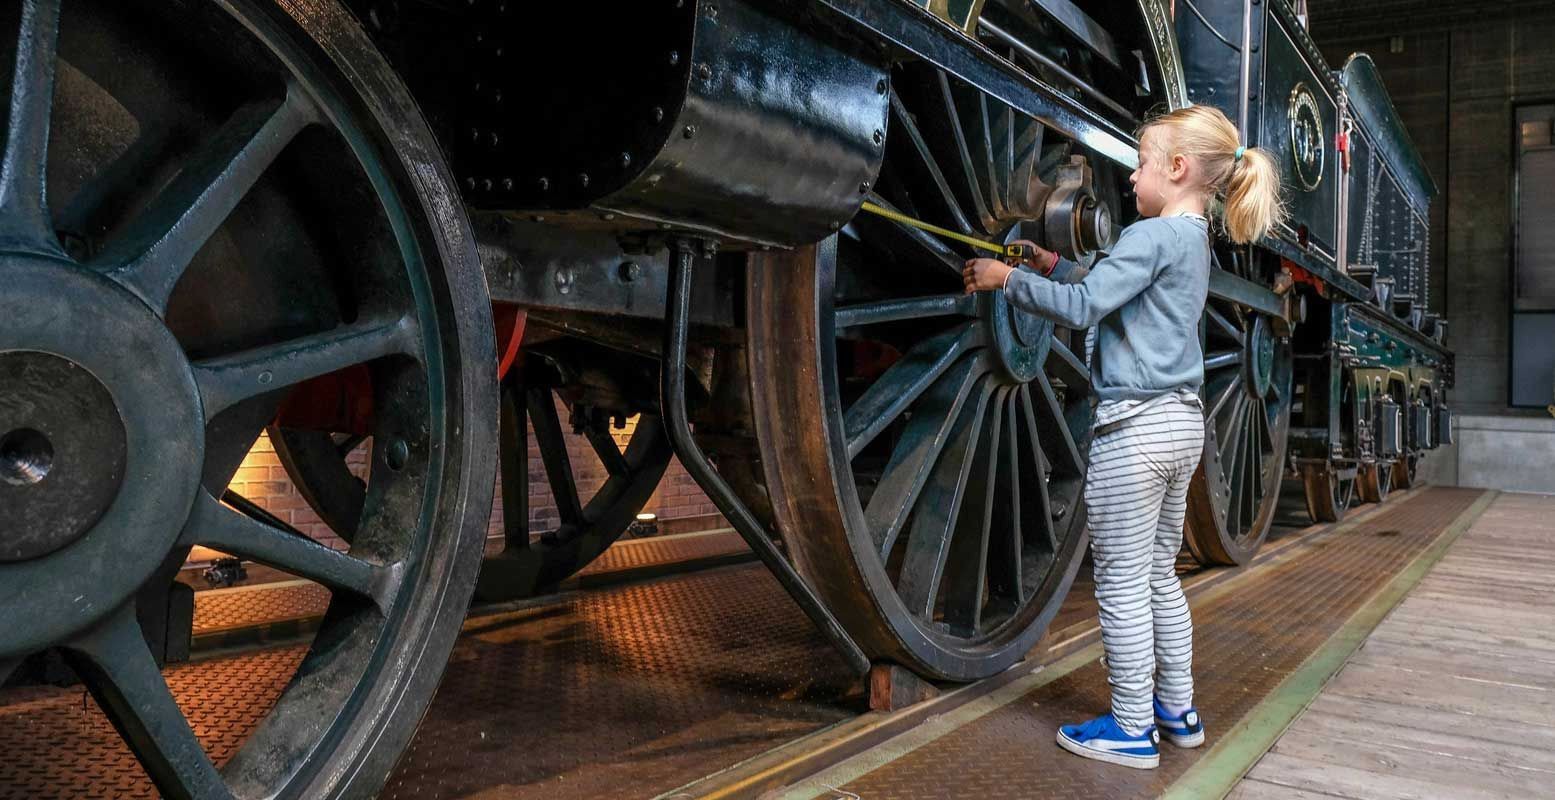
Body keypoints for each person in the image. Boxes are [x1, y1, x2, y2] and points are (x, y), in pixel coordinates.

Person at [962, 104, 1284, 770]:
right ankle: (1176, 712)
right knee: (1158, 577)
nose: (1131, 176)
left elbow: (1085, 308)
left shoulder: (1146, 234)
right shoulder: (1191, 239)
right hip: (1178, 426)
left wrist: (1006, 280)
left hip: (1131, 431)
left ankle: (1132, 729)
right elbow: (1109, 289)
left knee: (1118, 584)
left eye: (1140, 162)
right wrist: (1050, 262)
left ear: (1176, 168)